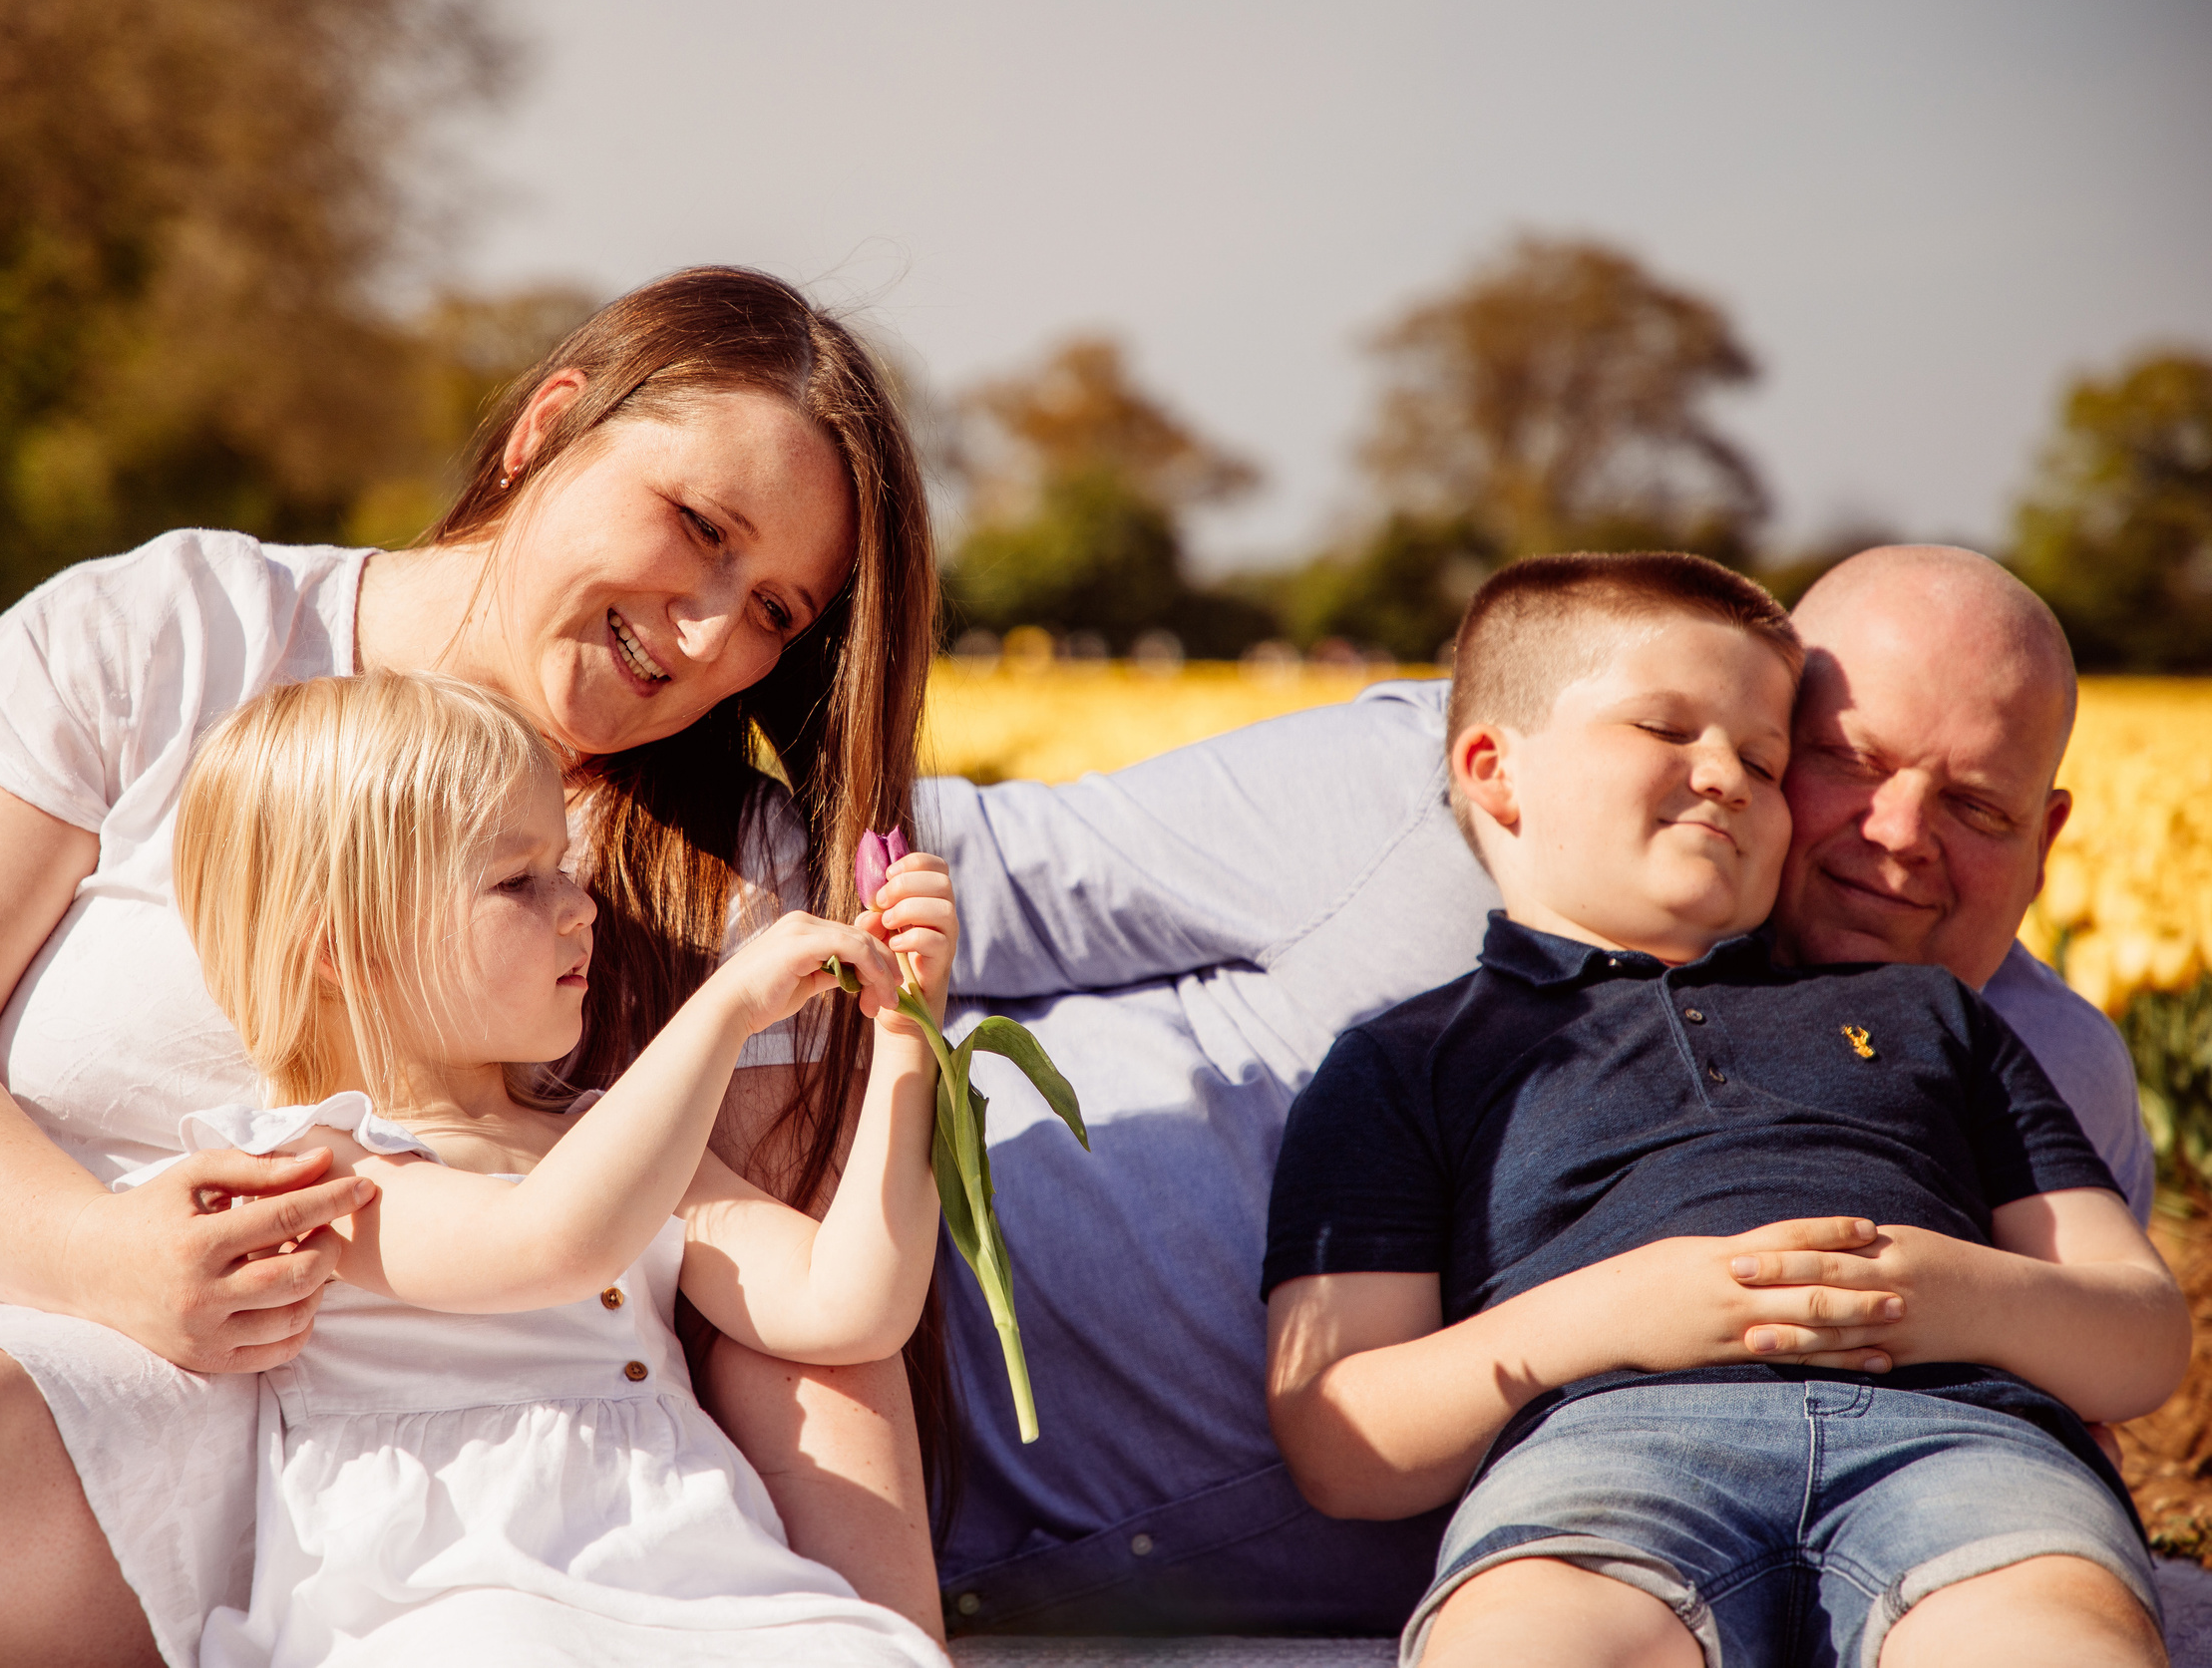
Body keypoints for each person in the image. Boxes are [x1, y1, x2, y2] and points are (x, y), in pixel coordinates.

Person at [0, 268, 946, 1666]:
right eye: (699, 526)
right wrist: (91, 1250)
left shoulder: (728, 864)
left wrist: (886, 1637)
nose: (706, 633)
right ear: (550, 425)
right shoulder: (173, 629)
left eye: (773, 612)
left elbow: (801, 1327)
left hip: (284, 1482)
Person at [917, 544, 2152, 1634]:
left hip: (1538, 1532)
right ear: (1493, 771)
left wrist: (1980, 1323)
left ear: (2047, 842)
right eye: (1845, 759)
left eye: (1975, 804)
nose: (1896, 832)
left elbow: (2096, 1371)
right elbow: (978, 870)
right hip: (888, 1337)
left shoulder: (2002, 1042)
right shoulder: (1424, 832)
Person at [1262, 552, 2184, 1667]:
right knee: (1531, 1642)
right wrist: (1610, 1314)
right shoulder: (1406, 1056)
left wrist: (1945, 1294)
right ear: (1494, 772)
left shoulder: (1925, 1011)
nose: (1726, 777)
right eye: (1666, 730)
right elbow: (1339, 1441)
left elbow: (2139, 1335)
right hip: (1608, 1452)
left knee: (2045, 1641)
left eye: (1762, 754)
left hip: (1963, 1443)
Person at [167, 671, 951, 1665]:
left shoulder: (610, 1140)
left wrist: (905, 1034)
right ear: (344, 949)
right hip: (452, 1589)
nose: (580, 906)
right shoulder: (309, 1170)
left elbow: (847, 1307)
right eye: (517, 881)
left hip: (700, 1572)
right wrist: (720, 1010)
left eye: (565, 869)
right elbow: (545, 1244)